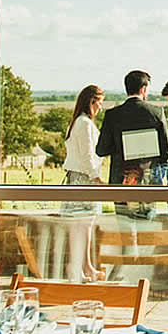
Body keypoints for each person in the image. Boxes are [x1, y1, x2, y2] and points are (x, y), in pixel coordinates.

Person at [60, 85, 106, 282]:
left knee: (83, 226)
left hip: (76, 177)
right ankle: (78, 268)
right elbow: (87, 155)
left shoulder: (76, 122)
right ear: (91, 102)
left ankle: (86, 267)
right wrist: (96, 178)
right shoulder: (84, 124)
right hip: (83, 178)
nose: (101, 108)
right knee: (81, 225)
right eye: (99, 103)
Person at [95, 70, 168, 185]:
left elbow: (101, 150)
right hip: (148, 179)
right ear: (143, 89)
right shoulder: (157, 113)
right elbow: (165, 149)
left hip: (120, 180)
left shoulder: (112, 115)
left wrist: (120, 147)